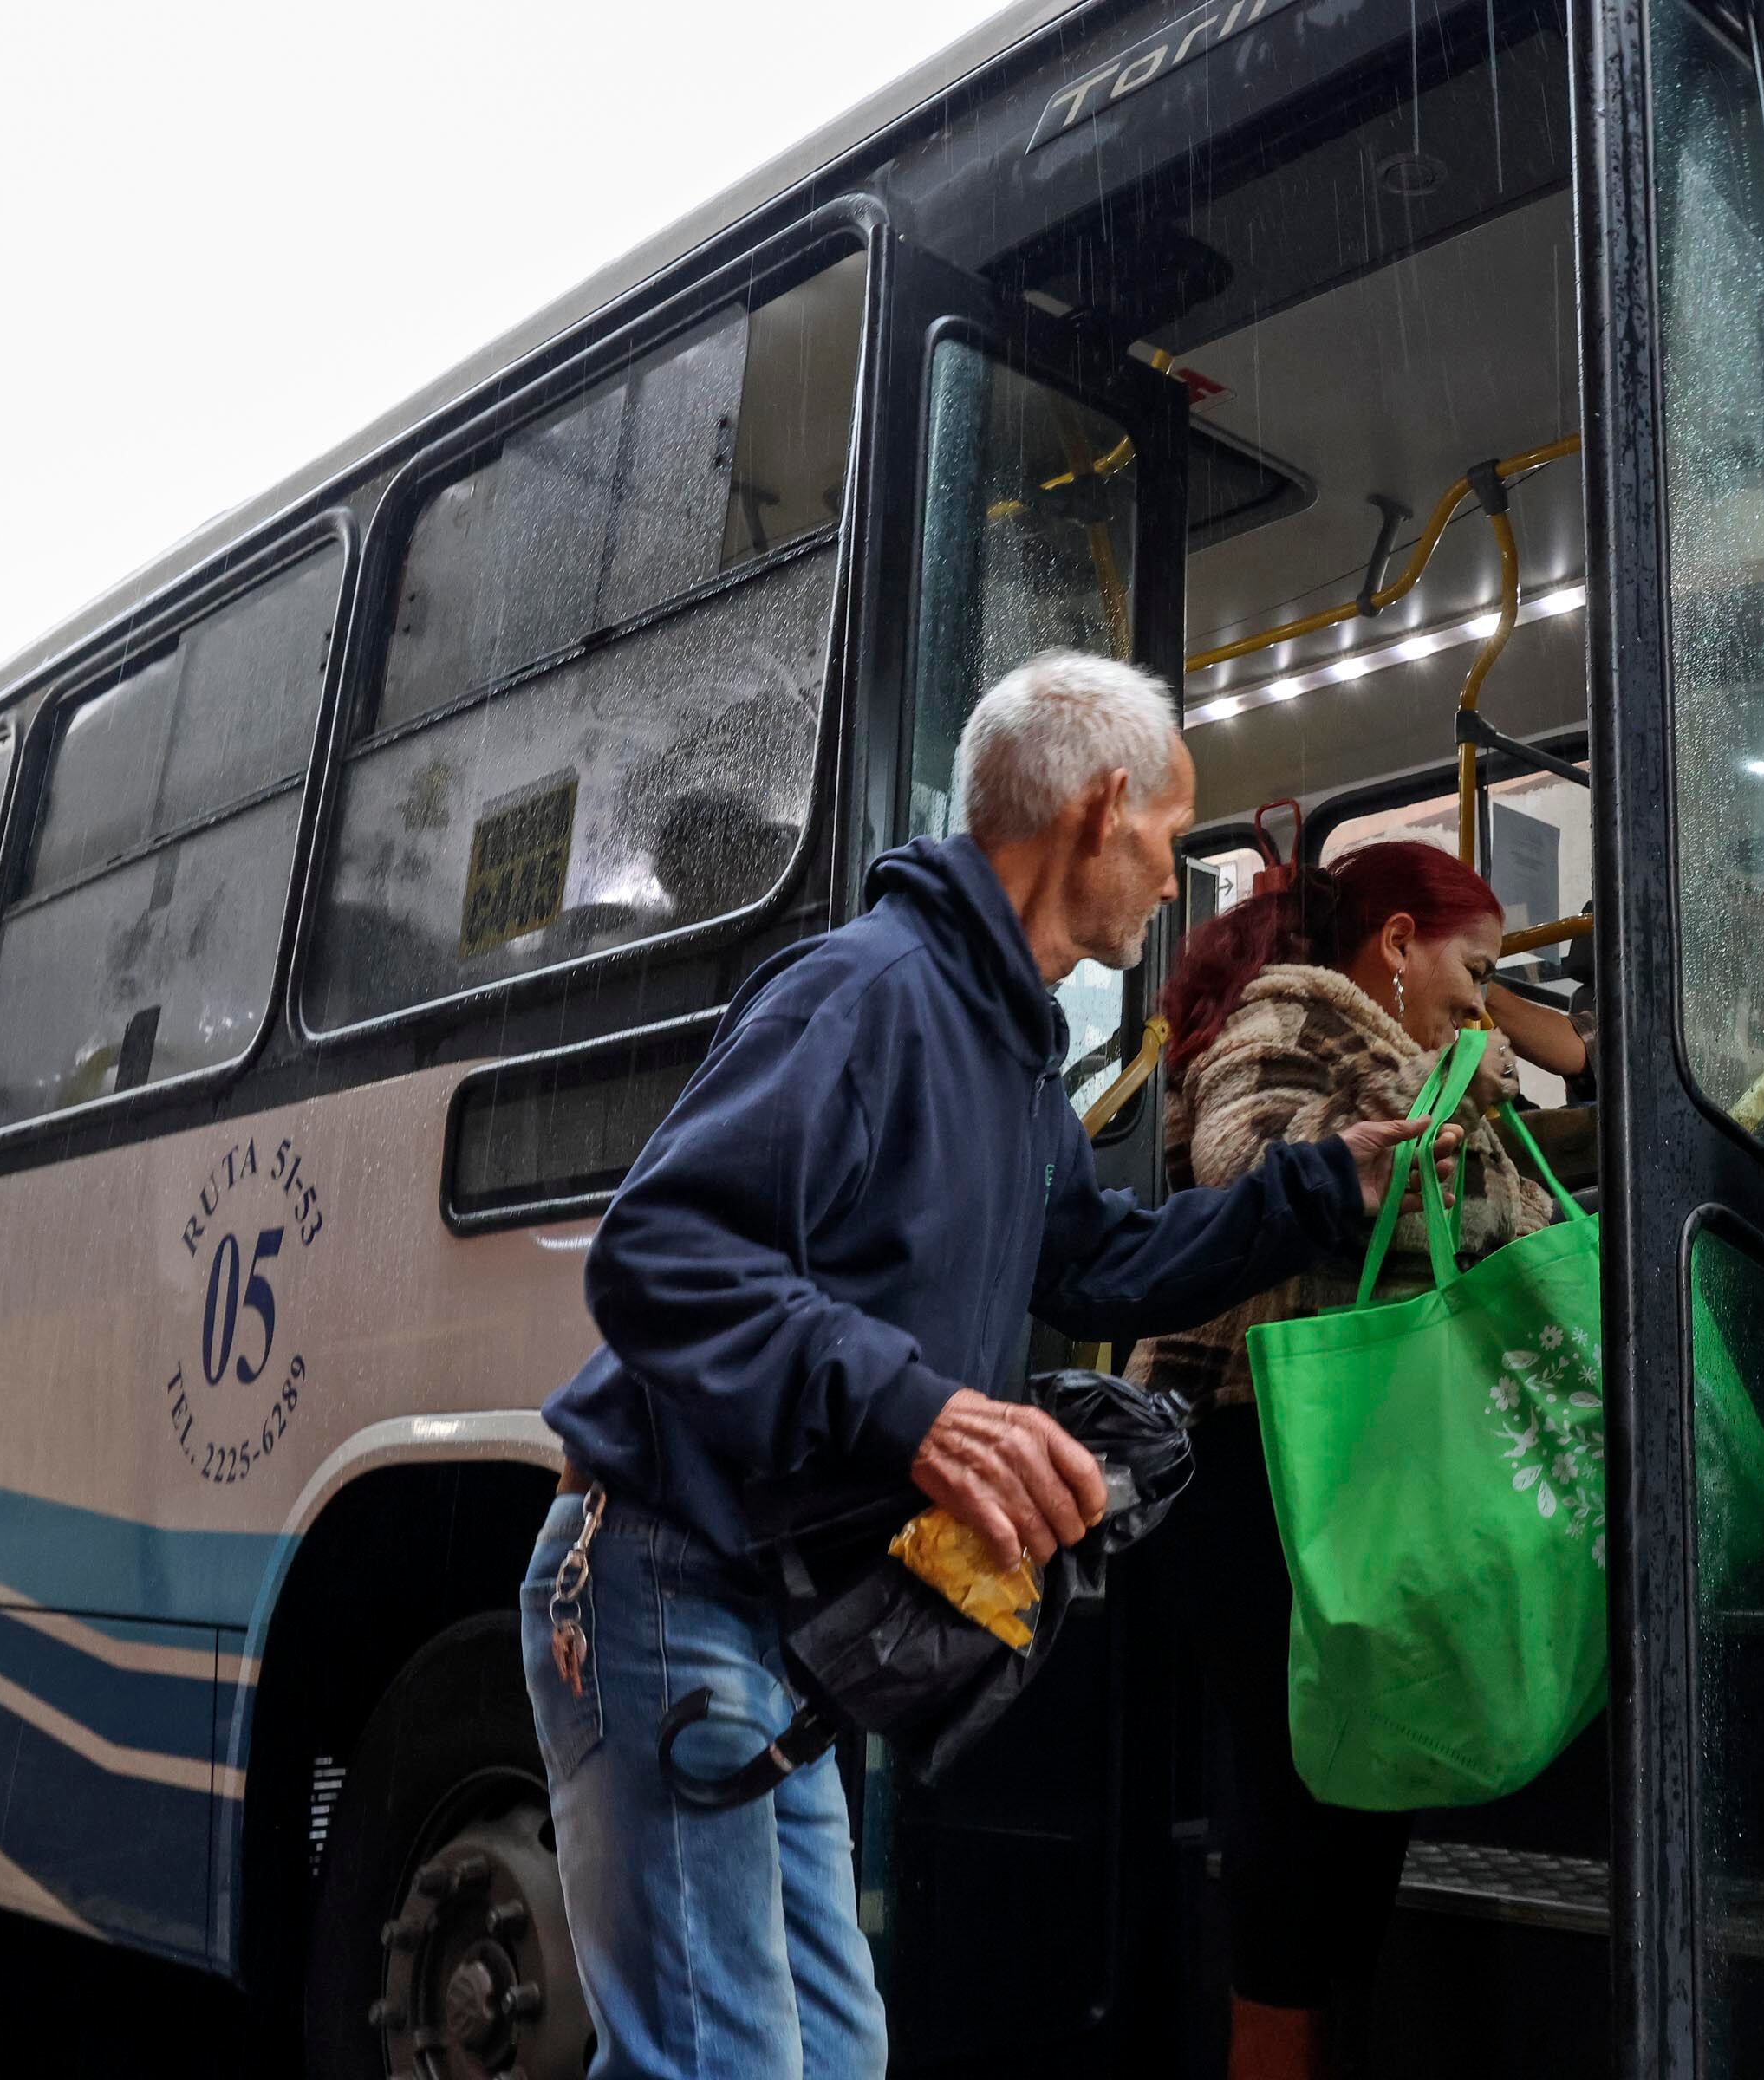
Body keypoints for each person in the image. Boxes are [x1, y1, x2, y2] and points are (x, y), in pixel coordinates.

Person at [524, 651, 1450, 2080]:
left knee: (834, 2057)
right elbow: (658, 1255)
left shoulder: (1012, 1060)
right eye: (1170, 833)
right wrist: (925, 1413)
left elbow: (1096, 1264)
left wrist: (1325, 1185)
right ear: (1102, 809)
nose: (1174, 874)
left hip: (774, 1611)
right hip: (666, 1575)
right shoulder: (869, 992)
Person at [1131, 837, 1556, 2080]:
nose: (1480, 1005)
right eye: (1474, 972)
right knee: (1298, 1788)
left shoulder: (1425, 1062)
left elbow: (1505, 1217)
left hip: (1349, 1448)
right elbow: (1254, 1166)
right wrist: (1446, 1098)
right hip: (1247, 1448)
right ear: (1399, 947)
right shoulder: (1292, 1014)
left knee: (1362, 1786)